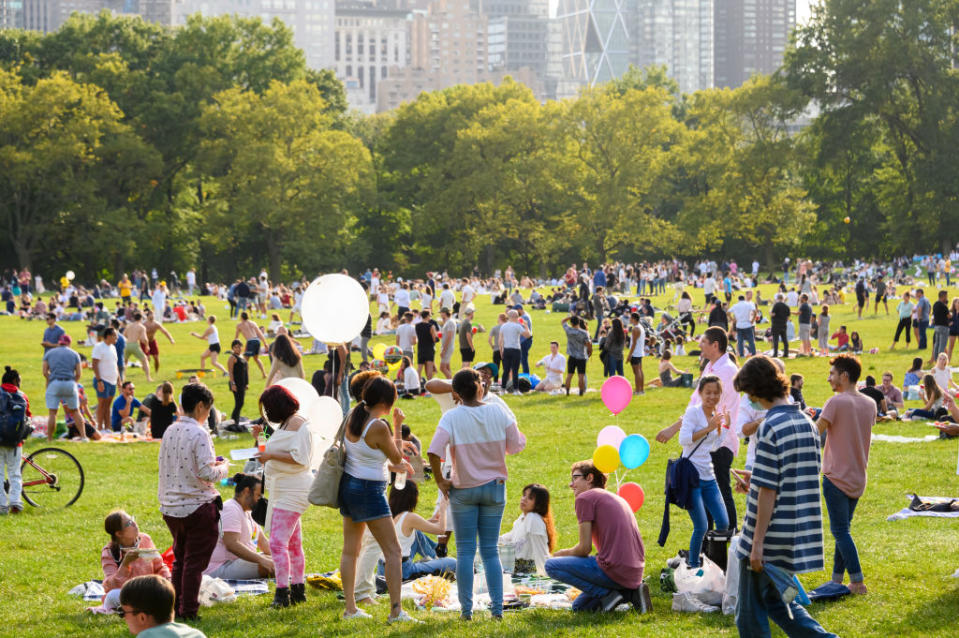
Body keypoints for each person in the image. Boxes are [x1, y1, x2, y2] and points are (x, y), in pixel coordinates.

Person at [731, 356, 836, 638]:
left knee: (750, 616)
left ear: (757, 391)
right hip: (795, 531)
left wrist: (756, 545)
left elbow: (769, 492)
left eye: (748, 394)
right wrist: (756, 481)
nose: (749, 400)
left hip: (768, 536)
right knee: (781, 602)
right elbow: (795, 476)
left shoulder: (769, 427)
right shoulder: (807, 423)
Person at [427, 368, 526, 620]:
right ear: (480, 386)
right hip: (494, 488)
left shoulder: (451, 416)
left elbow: (433, 451)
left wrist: (440, 480)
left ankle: (466, 611)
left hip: (463, 490)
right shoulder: (499, 411)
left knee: (465, 551)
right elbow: (516, 446)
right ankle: (496, 610)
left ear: (456, 394)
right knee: (490, 551)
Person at [338, 376, 417, 623]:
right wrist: (396, 427)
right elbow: (395, 458)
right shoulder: (378, 426)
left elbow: (373, 455)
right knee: (393, 551)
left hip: (349, 487)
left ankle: (350, 608)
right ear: (387, 400)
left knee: (351, 551)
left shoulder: (353, 415)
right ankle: (396, 612)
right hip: (369, 490)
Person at [158, 383, 230, 620]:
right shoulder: (199, 433)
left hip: (171, 506)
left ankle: (177, 607)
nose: (209, 415)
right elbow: (208, 474)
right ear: (200, 407)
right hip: (197, 505)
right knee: (194, 563)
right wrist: (224, 468)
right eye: (208, 410)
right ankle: (188, 612)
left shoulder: (170, 430)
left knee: (180, 560)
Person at [657, 327, 740, 528]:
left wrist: (675, 428)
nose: (699, 345)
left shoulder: (726, 371)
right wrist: (676, 427)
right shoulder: (711, 368)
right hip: (704, 441)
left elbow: (708, 408)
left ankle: (725, 541)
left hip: (718, 442)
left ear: (715, 345)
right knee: (705, 496)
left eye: (703, 342)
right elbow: (694, 402)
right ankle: (710, 546)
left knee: (720, 495)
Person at [545, 460, 648, 613]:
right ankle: (631, 593)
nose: (571, 484)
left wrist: (559, 554)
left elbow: (584, 548)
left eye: (575, 478)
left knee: (551, 565)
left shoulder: (585, 498)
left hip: (615, 569)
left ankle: (606, 594)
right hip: (634, 573)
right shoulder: (613, 497)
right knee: (580, 607)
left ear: (590, 478)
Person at [815, 355, 875, 595]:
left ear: (844, 376)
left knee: (840, 531)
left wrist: (809, 418)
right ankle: (837, 580)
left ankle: (857, 582)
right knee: (844, 529)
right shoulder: (870, 403)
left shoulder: (836, 402)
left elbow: (815, 432)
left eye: (832, 374)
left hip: (836, 476)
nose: (829, 378)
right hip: (858, 476)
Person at [253, 386, 314, 608]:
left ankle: (282, 593)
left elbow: (300, 458)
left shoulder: (299, 423)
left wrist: (268, 453)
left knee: (277, 544)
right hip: (285, 489)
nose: (268, 414)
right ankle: (298, 590)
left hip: (293, 490)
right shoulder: (288, 423)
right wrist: (261, 438)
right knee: (294, 543)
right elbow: (272, 452)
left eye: (268, 409)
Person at [679, 376, 730, 567]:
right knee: (701, 526)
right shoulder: (693, 413)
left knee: (723, 523)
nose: (712, 396)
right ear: (700, 393)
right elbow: (683, 440)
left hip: (709, 476)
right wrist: (708, 428)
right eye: (708, 392)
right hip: (691, 477)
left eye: (716, 392)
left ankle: (712, 561)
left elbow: (714, 446)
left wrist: (725, 427)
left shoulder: (716, 414)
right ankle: (693, 565)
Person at [382, 481, 457, 580]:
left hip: (383, 568)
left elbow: (405, 528)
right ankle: (436, 558)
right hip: (403, 571)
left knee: (417, 533)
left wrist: (430, 520)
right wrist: (443, 508)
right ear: (412, 499)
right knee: (453, 563)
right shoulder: (410, 517)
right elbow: (442, 530)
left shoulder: (388, 513)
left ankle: (436, 557)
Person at [101, 510, 171, 610]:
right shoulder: (109, 552)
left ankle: (140, 606)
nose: (135, 524)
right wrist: (125, 563)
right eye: (129, 523)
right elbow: (110, 586)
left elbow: (160, 567)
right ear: (119, 533)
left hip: (149, 589)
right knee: (112, 596)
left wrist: (169, 580)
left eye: (133, 519)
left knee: (174, 586)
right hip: (127, 593)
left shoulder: (145, 539)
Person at [118, 575, 207, 637]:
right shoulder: (196, 634)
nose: (124, 618)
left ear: (142, 618)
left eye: (122, 613)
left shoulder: (146, 636)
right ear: (172, 611)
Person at [499, 484, 556, 575]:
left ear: (538, 504)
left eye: (530, 498)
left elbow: (541, 552)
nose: (524, 499)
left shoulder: (533, 519)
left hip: (524, 573)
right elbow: (507, 538)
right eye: (524, 495)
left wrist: (547, 577)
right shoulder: (522, 518)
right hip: (512, 567)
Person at [42, 334, 83, 442]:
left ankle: (50, 438)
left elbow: (45, 371)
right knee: (76, 411)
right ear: (69, 343)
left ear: (59, 342)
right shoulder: (74, 354)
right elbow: (78, 373)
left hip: (54, 383)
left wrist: (50, 379)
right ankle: (84, 437)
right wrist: (74, 383)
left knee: (52, 413)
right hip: (69, 383)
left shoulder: (50, 353)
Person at [1, 366, 30, 514]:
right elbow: (28, 417)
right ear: (15, 381)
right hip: (15, 442)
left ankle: (1, 505)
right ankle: (15, 503)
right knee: (15, 473)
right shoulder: (22, 396)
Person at [92, 327, 120, 431]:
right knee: (102, 404)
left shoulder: (113, 348)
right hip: (103, 380)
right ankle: (99, 427)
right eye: (115, 336)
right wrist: (99, 381)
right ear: (108, 336)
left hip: (112, 380)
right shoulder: (99, 347)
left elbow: (115, 365)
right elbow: (94, 364)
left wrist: (119, 381)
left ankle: (107, 427)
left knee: (108, 405)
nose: (116, 338)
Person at [499, 309, 530, 393]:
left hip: (506, 349)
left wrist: (501, 351)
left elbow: (500, 340)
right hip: (515, 349)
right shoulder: (517, 326)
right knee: (515, 370)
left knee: (506, 371)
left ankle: (502, 389)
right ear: (516, 317)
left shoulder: (503, 326)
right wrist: (526, 326)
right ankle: (516, 390)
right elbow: (528, 335)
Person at [561, 315, 591, 397]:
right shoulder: (584, 333)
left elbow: (563, 321)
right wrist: (589, 351)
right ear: (579, 322)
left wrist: (569, 317)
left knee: (569, 375)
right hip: (581, 356)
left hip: (572, 355)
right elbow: (588, 343)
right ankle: (581, 392)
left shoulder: (568, 330)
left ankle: (567, 391)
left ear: (571, 323)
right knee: (581, 376)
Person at [235, 312, 268, 379]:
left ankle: (246, 376)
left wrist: (235, 346)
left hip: (250, 342)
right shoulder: (253, 323)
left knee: (245, 360)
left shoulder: (239, 325)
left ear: (241, 317)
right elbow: (259, 333)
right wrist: (265, 343)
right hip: (257, 341)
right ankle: (264, 374)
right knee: (256, 359)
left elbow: (236, 337)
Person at [123, 313, 154, 382]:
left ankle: (123, 378)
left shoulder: (129, 326)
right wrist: (147, 346)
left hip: (127, 345)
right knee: (145, 360)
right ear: (141, 319)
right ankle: (148, 378)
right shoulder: (141, 327)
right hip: (135, 345)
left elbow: (124, 335)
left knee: (125, 362)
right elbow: (145, 339)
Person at [226, 340, 248, 425]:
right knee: (239, 403)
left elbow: (245, 370)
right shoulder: (232, 358)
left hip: (242, 383)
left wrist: (246, 383)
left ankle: (236, 420)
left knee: (240, 403)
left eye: (239, 346)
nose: (238, 348)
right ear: (232, 348)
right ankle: (234, 420)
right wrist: (232, 384)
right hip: (236, 383)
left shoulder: (242, 357)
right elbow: (230, 372)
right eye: (235, 347)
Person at [414, 309, 439, 381]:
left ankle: (417, 384)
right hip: (429, 349)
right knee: (429, 370)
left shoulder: (417, 326)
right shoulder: (431, 326)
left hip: (421, 348)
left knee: (419, 369)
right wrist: (438, 337)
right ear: (427, 316)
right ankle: (429, 385)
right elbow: (435, 339)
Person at [626, 312, 646, 394]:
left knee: (637, 372)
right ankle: (641, 389)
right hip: (640, 352)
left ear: (633, 319)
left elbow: (633, 343)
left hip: (635, 353)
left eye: (630, 318)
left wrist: (629, 355)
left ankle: (638, 390)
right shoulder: (640, 327)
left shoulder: (635, 329)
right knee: (640, 371)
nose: (629, 319)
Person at [931, 290, 951, 364]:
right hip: (944, 326)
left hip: (937, 326)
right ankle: (941, 361)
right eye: (946, 296)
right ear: (943, 296)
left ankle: (936, 359)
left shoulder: (935, 304)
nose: (947, 298)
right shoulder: (943, 306)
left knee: (937, 344)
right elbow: (949, 315)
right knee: (942, 345)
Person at [769, 294, 790, 358]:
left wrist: (770, 312)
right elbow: (788, 317)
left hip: (776, 324)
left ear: (777, 298)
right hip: (783, 324)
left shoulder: (776, 305)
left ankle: (775, 354)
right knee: (785, 340)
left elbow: (773, 314)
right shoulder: (786, 306)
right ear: (783, 298)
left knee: (776, 340)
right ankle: (786, 353)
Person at [439, 308, 456, 379]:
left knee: (442, 368)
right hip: (447, 347)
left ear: (445, 313)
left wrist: (444, 350)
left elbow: (449, 336)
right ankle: (451, 382)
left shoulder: (450, 322)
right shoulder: (448, 322)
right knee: (447, 367)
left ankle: (451, 384)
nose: (440, 314)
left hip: (448, 347)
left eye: (441, 312)